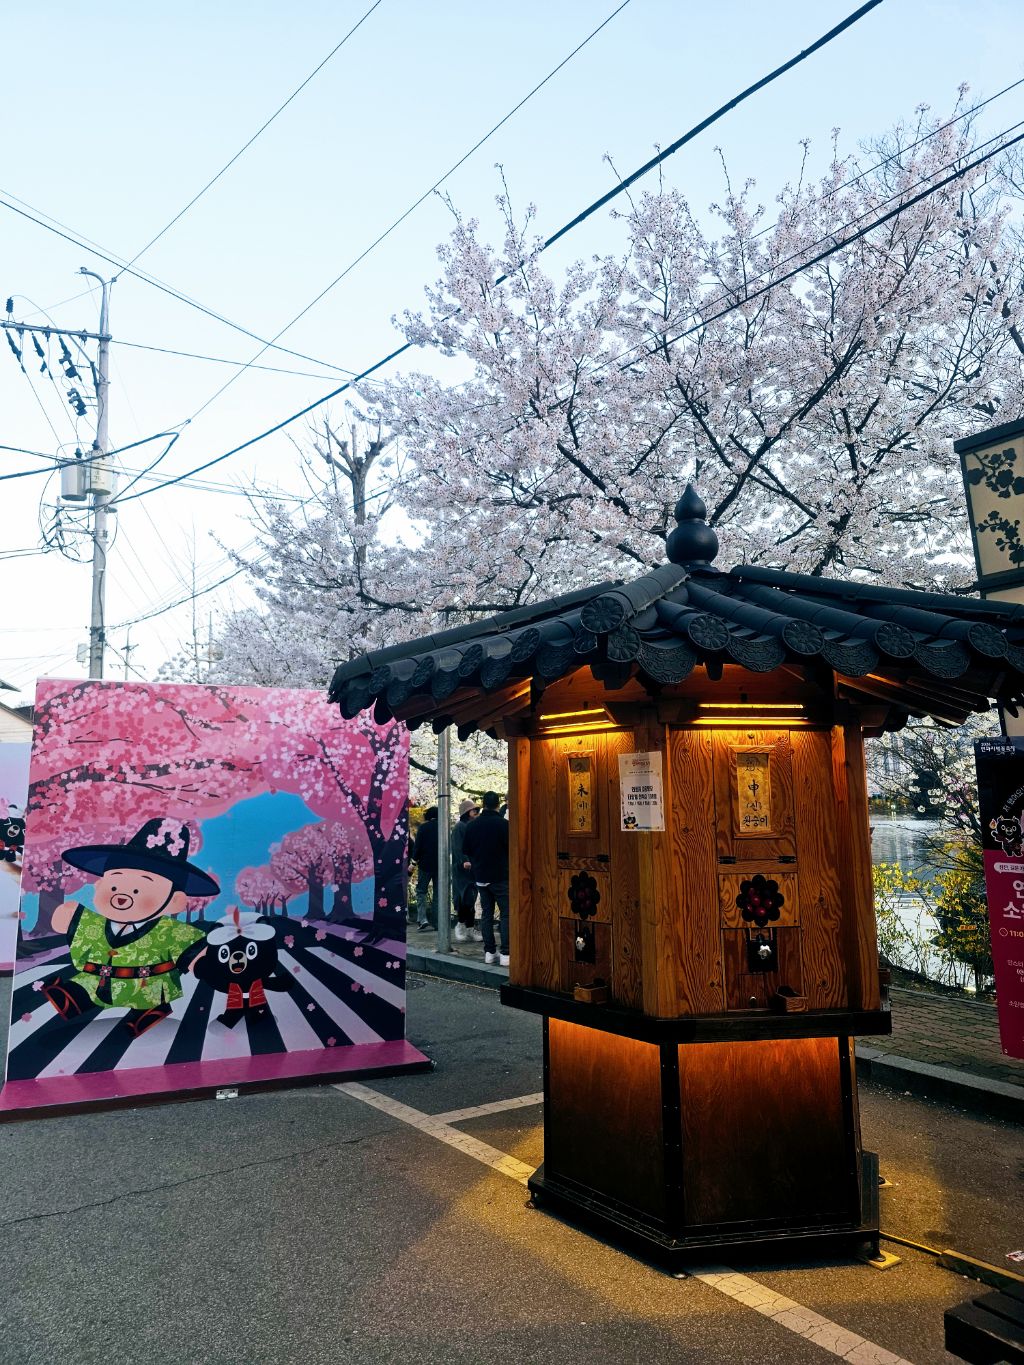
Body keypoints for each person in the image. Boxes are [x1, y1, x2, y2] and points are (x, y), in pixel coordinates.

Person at [461, 790, 509, 966]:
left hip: (480, 875)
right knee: (506, 913)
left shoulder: (472, 826)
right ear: (498, 804)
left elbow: (466, 850)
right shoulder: (504, 825)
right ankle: (506, 953)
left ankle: (489, 952)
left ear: (483, 804)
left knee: (487, 914)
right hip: (501, 875)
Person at [450, 799, 482, 943]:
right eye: (474, 810)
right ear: (467, 812)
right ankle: (461, 924)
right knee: (465, 897)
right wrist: (464, 860)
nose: (476, 813)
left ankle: (469, 928)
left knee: (471, 897)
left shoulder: (471, 826)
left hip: (473, 868)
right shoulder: (459, 827)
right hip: (463, 869)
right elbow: (457, 847)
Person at [412, 805, 439, 932]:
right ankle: (438, 922)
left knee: (421, 891)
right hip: (440, 865)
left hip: (425, 865)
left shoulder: (423, 827)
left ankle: (422, 919)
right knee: (438, 893)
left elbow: (417, 847)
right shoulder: (443, 827)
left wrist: (413, 862)